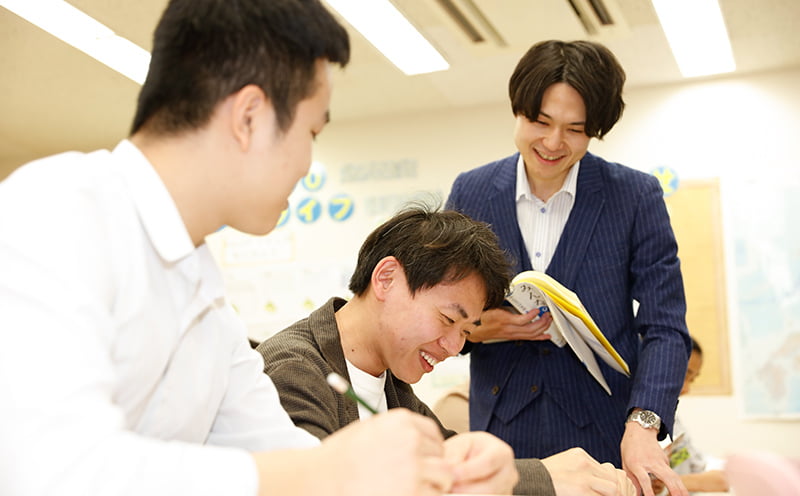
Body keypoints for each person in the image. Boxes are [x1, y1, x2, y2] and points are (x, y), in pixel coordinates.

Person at [0, 1, 474, 495]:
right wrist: (331, 471)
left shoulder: (203, 291)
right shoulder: (52, 213)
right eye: (311, 132)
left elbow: (276, 447)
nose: (306, 164)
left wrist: (452, 473)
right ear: (249, 117)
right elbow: (52, 470)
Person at [445, 39, 692, 496]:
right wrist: (479, 327)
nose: (553, 143)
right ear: (517, 111)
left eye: (575, 129)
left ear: (595, 129)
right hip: (501, 435)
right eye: (540, 122)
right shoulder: (471, 192)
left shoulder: (634, 197)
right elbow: (442, 307)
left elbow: (665, 326)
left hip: (605, 437)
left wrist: (644, 422)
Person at [257, 204, 636, 496]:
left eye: (467, 331)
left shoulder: (391, 381)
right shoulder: (293, 370)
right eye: (447, 319)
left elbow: (453, 457)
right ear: (386, 279)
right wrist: (543, 478)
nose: (454, 347)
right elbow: (322, 482)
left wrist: (552, 473)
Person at [652, 339, 729, 494]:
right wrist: (676, 483)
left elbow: (692, 459)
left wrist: (732, 470)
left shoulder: (672, 418)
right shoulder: (634, 420)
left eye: (691, 379)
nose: (686, 388)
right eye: (683, 375)